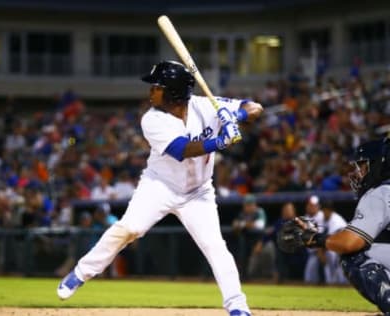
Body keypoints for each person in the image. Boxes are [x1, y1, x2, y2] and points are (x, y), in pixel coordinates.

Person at [57, 60, 263, 316]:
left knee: (215, 246)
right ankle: (81, 273)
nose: (151, 91)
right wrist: (220, 140)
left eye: (157, 87)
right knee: (129, 228)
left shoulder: (205, 106)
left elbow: (256, 107)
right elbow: (182, 150)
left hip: (199, 192)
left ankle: (237, 306)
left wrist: (238, 114)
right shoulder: (152, 119)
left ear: (173, 91)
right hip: (160, 186)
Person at [279, 138, 390, 315]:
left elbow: (349, 243)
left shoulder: (380, 193)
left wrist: (314, 238)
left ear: (379, 164)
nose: (358, 172)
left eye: (363, 166)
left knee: (354, 255)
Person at [232, 194, 267, 280]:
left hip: (260, 241)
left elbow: (260, 225)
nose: (247, 207)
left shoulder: (259, 212)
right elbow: (235, 225)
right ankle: (244, 278)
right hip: (246, 241)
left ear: (254, 205)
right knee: (242, 257)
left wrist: (244, 224)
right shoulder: (242, 214)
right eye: (246, 205)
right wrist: (244, 224)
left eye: (250, 204)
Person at [320, 201, 347, 284]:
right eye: (322, 211)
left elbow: (328, 239)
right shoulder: (325, 219)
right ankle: (331, 283)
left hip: (345, 246)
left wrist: (321, 252)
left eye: (324, 211)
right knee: (328, 259)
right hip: (336, 247)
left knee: (340, 271)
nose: (323, 213)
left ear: (329, 210)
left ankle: (340, 285)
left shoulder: (335, 220)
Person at [302, 195, 325, 284]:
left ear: (318, 206)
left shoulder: (321, 216)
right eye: (309, 205)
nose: (310, 207)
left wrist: (321, 252)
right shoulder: (306, 217)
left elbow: (321, 237)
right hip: (311, 253)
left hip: (322, 251)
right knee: (309, 278)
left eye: (313, 205)